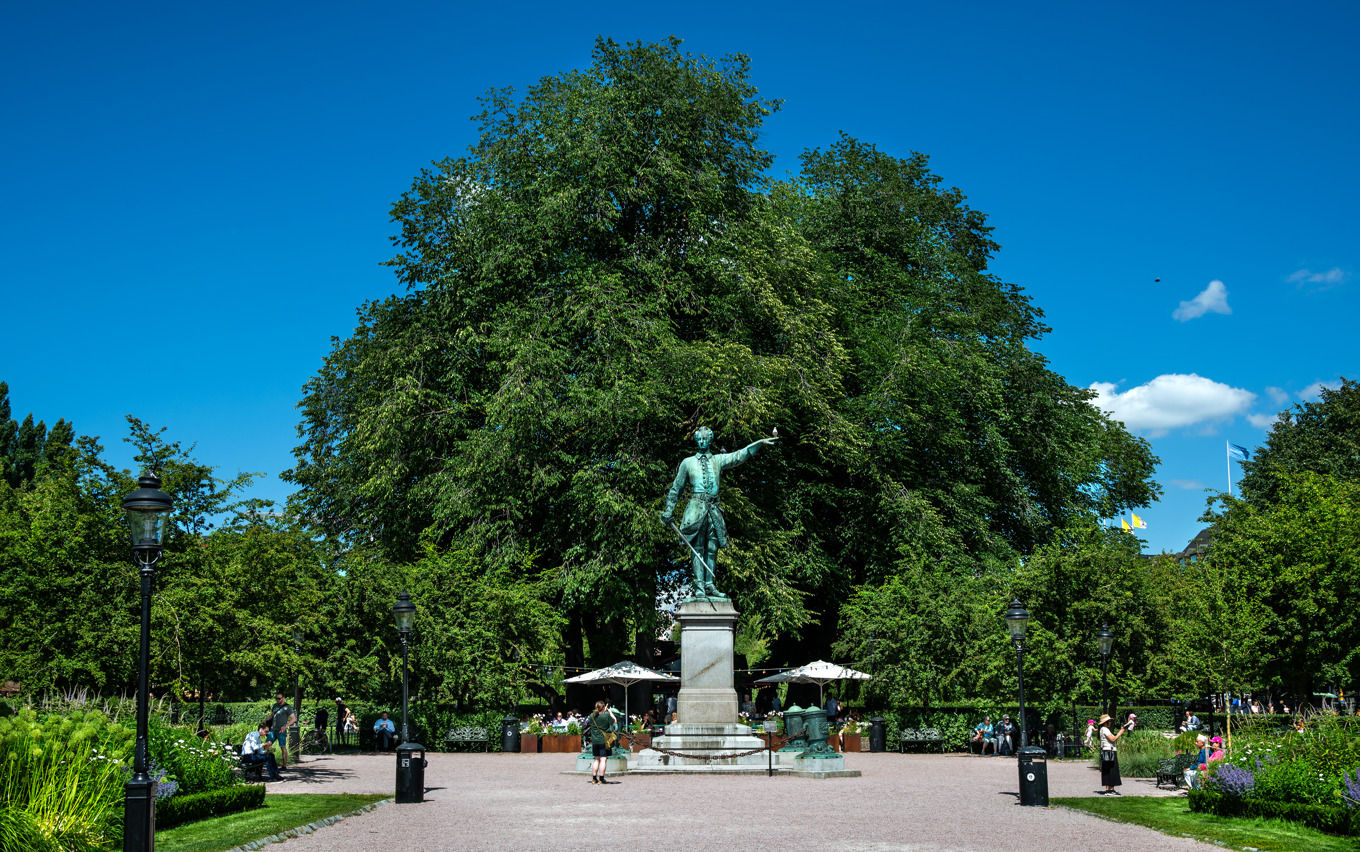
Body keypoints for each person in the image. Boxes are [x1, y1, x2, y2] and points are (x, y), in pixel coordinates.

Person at [659, 426, 778, 598]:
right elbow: (676, 488)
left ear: (710, 440)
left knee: (713, 548)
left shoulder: (718, 460)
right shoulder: (687, 462)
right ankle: (699, 587)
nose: (702, 442)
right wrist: (669, 510)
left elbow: (739, 455)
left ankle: (709, 585)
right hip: (695, 509)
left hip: (714, 509)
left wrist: (759, 443)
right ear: (696, 441)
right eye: (699, 439)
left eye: (705, 439)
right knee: (697, 548)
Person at [1098, 713, 1127, 794]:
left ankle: (1109, 788)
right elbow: (1113, 739)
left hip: (1106, 751)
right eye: (1109, 721)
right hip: (1109, 751)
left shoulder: (1102, 729)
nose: (1110, 723)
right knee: (1112, 769)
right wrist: (1120, 733)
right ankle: (1110, 789)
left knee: (1107, 770)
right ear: (1105, 722)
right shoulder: (1105, 729)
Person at [588, 700, 616, 785]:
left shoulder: (591, 716)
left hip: (595, 740)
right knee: (603, 759)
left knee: (596, 759)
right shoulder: (606, 716)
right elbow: (614, 721)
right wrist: (610, 711)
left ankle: (594, 779)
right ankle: (601, 779)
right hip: (604, 740)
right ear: (604, 707)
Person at [271, 693, 296, 770]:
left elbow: (293, 719)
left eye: (279, 698)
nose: (278, 700)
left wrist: (285, 726)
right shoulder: (275, 706)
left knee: (283, 747)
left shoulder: (287, 707)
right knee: (267, 745)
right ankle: (268, 762)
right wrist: (265, 720)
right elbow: (272, 715)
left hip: (281, 731)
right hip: (273, 729)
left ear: (283, 698)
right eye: (276, 698)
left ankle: (284, 765)